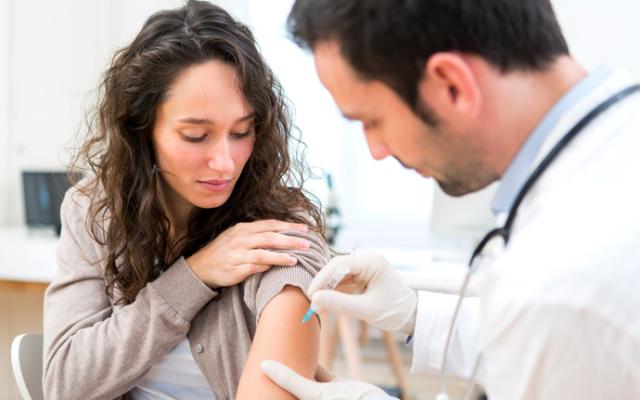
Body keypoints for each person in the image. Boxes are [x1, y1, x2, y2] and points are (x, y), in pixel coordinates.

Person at [261, 0, 640, 399]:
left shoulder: (556, 285)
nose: (376, 150)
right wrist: (415, 314)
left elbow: (555, 324)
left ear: (452, 85)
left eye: (371, 120)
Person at [42, 1, 330, 399]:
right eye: (196, 136)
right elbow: (66, 383)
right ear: (142, 130)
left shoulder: (278, 230)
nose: (226, 163)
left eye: (242, 131)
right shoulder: (94, 209)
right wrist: (193, 277)